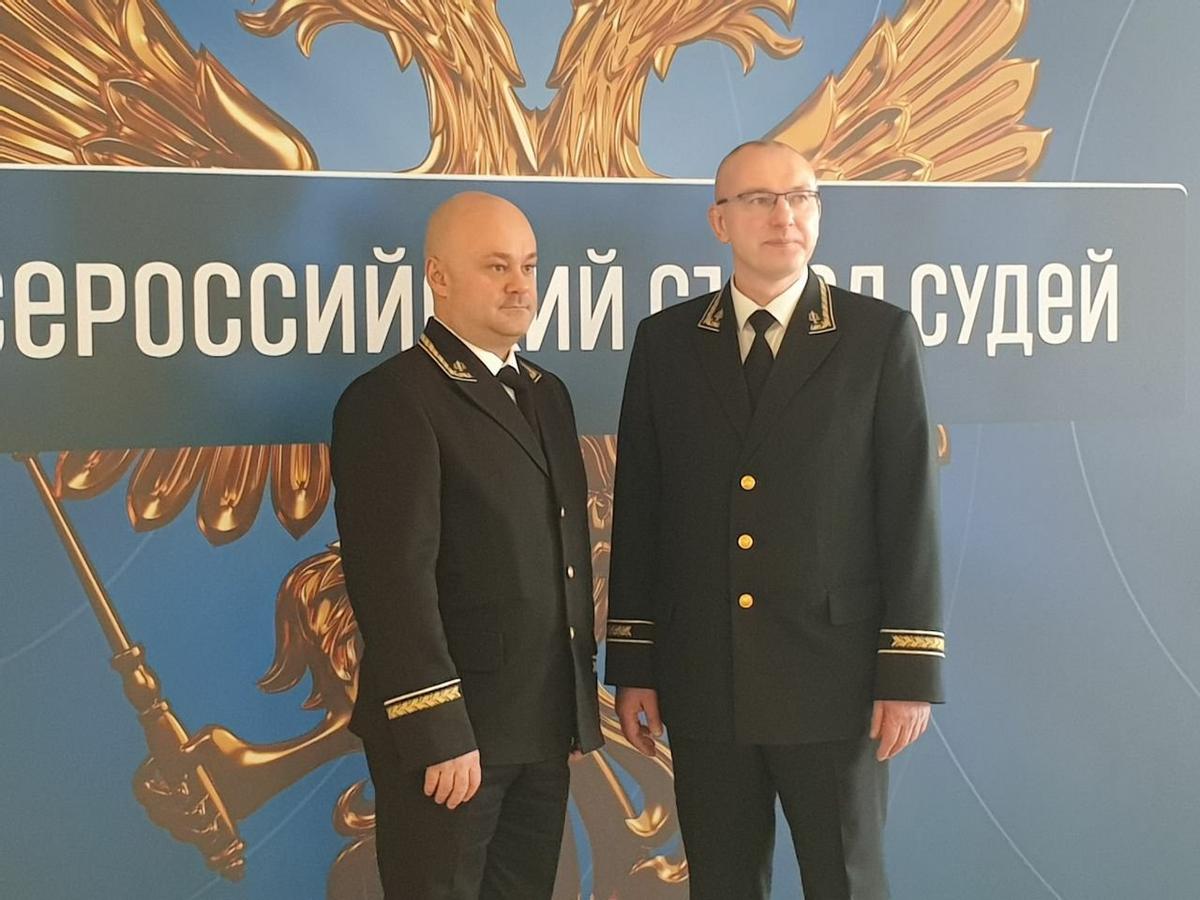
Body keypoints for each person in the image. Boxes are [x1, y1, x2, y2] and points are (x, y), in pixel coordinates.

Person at [605, 141, 945, 900]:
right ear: (719, 221)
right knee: (722, 883)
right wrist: (634, 663)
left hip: (836, 678)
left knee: (846, 881)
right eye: (759, 200)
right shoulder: (667, 342)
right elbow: (643, 510)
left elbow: (909, 510)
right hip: (705, 675)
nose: (783, 215)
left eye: (801, 197)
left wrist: (910, 670)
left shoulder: (876, 335)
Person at [331, 191, 602, 898]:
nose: (520, 285)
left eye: (529, 266)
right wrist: (437, 728)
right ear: (439, 276)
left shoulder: (546, 392)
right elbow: (392, 581)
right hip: (454, 735)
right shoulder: (394, 397)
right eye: (496, 266)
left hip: (539, 722)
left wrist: (572, 708)